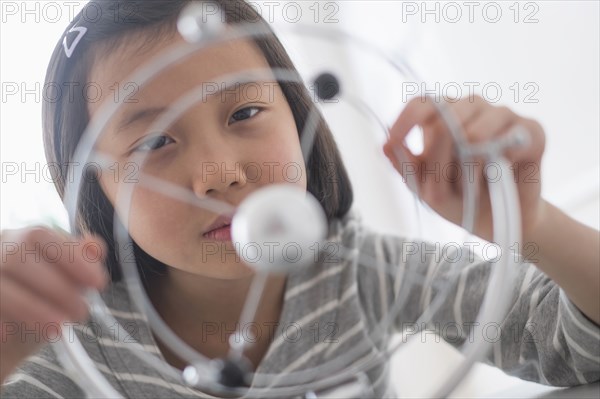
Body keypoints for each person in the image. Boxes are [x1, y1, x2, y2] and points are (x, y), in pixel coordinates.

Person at [1, 0, 598, 397]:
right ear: (95, 187)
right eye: (155, 140)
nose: (221, 173)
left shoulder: (362, 271)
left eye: (245, 112)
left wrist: (534, 224)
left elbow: (574, 349)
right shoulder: (74, 341)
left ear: (299, 115)